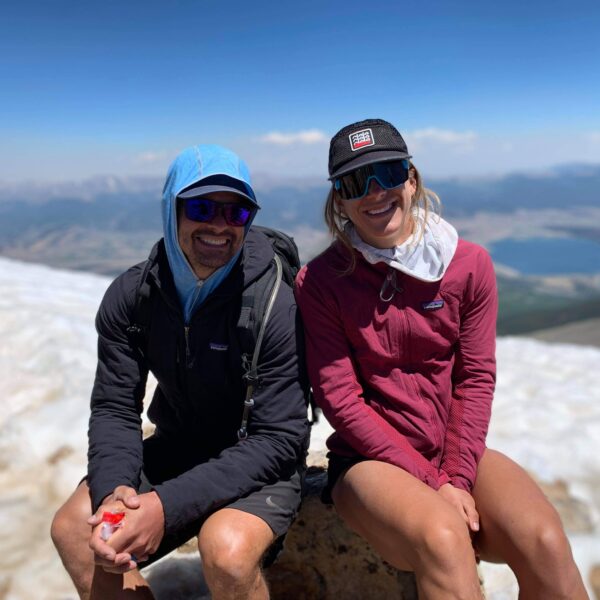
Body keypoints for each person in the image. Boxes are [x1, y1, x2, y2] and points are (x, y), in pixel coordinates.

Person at [295, 119, 588, 599]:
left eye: (386, 173)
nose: (374, 193)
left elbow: (475, 378)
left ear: (411, 179)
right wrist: (434, 482)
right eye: (354, 183)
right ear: (339, 200)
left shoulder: (469, 265)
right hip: (370, 462)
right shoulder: (322, 281)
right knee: (444, 539)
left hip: (454, 454)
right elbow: (340, 399)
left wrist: (455, 474)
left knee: (546, 542)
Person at [51, 144, 310, 600]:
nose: (218, 225)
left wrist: (165, 509)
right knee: (77, 529)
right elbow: (114, 407)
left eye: (236, 213)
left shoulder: (275, 303)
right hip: (179, 448)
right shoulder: (134, 297)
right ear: (172, 210)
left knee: (227, 552)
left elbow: (281, 437)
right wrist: (115, 493)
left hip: (257, 459)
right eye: (201, 207)